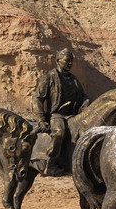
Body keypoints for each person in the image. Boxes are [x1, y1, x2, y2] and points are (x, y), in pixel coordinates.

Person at [32, 48, 90, 176]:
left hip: (72, 116)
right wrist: (41, 120)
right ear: (58, 61)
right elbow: (37, 98)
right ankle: (50, 164)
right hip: (56, 115)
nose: (70, 63)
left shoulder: (74, 80)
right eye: (67, 61)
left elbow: (82, 96)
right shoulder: (49, 77)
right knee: (59, 132)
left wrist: (86, 103)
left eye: (71, 61)